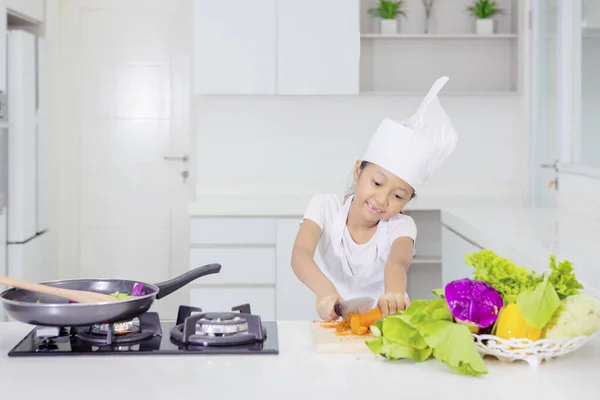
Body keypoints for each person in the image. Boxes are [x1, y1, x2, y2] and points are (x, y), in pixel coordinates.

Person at [290, 76, 458, 321]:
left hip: (384, 321)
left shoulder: (401, 227)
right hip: (330, 316)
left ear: (408, 200)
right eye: (377, 183)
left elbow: (397, 263)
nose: (381, 199)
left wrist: (394, 293)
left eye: (398, 195)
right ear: (358, 170)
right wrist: (325, 291)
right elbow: (300, 254)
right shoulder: (324, 206)